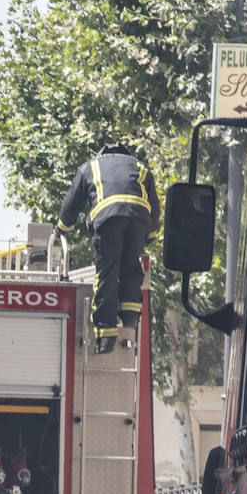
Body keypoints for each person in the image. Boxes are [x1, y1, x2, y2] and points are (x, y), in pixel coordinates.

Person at [57, 143, 160, 353]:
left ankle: (106, 335)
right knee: (132, 267)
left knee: (107, 273)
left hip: (108, 218)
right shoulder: (140, 167)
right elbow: (155, 208)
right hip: (139, 218)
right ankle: (130, 318)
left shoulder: (91, 166)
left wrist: (61, 229)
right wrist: (149, 235)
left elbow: (71, 204)